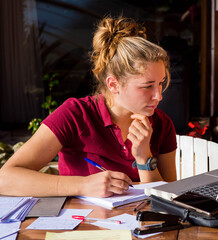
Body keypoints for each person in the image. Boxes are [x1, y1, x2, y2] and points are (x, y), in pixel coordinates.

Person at [0, 16, 177, 198]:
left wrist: (144, 158)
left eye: (161, 83)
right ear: (113, 84)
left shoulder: (162, 124)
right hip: (79, 225)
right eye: (147, 86)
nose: (159, 95)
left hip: (140, 224)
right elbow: (5, 179)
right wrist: (83, 185)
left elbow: (170, 199)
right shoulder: (75, 115)